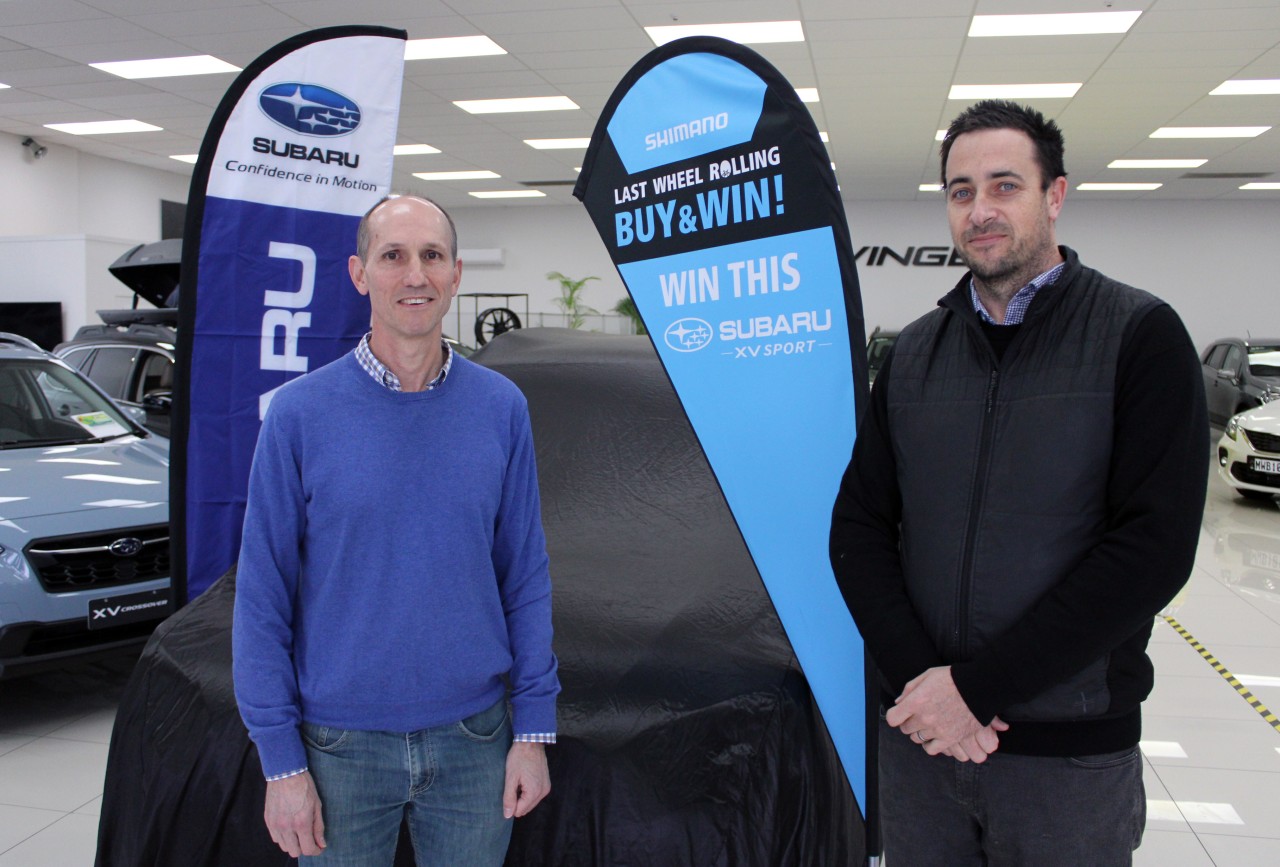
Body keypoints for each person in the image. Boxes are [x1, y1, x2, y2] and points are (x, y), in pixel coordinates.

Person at [829, 100, 1207, 865]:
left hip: (1067, 765)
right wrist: (925, 687)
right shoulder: (912, 355)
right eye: (961, 191)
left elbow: (1153, 549)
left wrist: (978, 689)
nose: (981, 210)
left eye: (1005, 185)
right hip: (921, 751)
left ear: (1054, 195)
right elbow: (859, 527)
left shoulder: (1140, 336)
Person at [233, 194, 559, 865]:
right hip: (336, 749)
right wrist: (281, 764)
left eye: (432, 255)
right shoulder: (297, 416)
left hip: (476, 741)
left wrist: (533, 728)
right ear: (359, 273)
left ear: (456, 273)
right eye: (394, 256)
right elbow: (261, 598)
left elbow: (524, 575)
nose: (416, 275)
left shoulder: (501, 409)